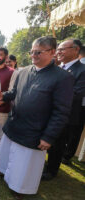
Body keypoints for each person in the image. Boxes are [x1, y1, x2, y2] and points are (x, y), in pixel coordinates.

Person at [0, 36, 74, 198]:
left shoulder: (63, 78)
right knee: (7, 154)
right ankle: (4, 173)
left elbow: (61, 111)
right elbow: (15, 92)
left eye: (38, 52)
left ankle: (19, 187)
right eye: (31, 52)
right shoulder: (24, 71)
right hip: (15, 123)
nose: (33, 56)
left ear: (51, 52)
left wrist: (49, 136)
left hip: (35, 130)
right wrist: (3, 97)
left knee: (24, 164)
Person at [42, 39, 85, 180]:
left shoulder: (82, 70)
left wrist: (50, 96)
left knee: (58, 143)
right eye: (58, 49)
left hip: (65, 114)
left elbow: (77, 94)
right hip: (49, 111)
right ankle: (44, 164)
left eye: (62, 49)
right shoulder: (58, 67)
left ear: (76, 49)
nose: (58, 52)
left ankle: (51, 170)